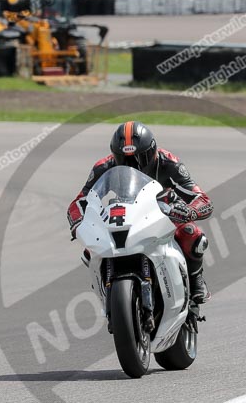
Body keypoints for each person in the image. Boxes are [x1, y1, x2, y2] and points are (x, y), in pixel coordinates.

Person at [67, 121, 213, 303]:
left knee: (192, 234)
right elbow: (79, 201)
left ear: (152, 151)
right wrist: (78, 221)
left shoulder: (169, 162)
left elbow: (201, 198)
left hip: (163, 212)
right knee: (91, 249)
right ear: (115, 155)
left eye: (140, 158)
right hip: (125, 214)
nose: (133, 165)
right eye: (125, 159)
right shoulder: (104, 166)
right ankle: (107, 289)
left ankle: (195, 279)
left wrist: (188, 211)